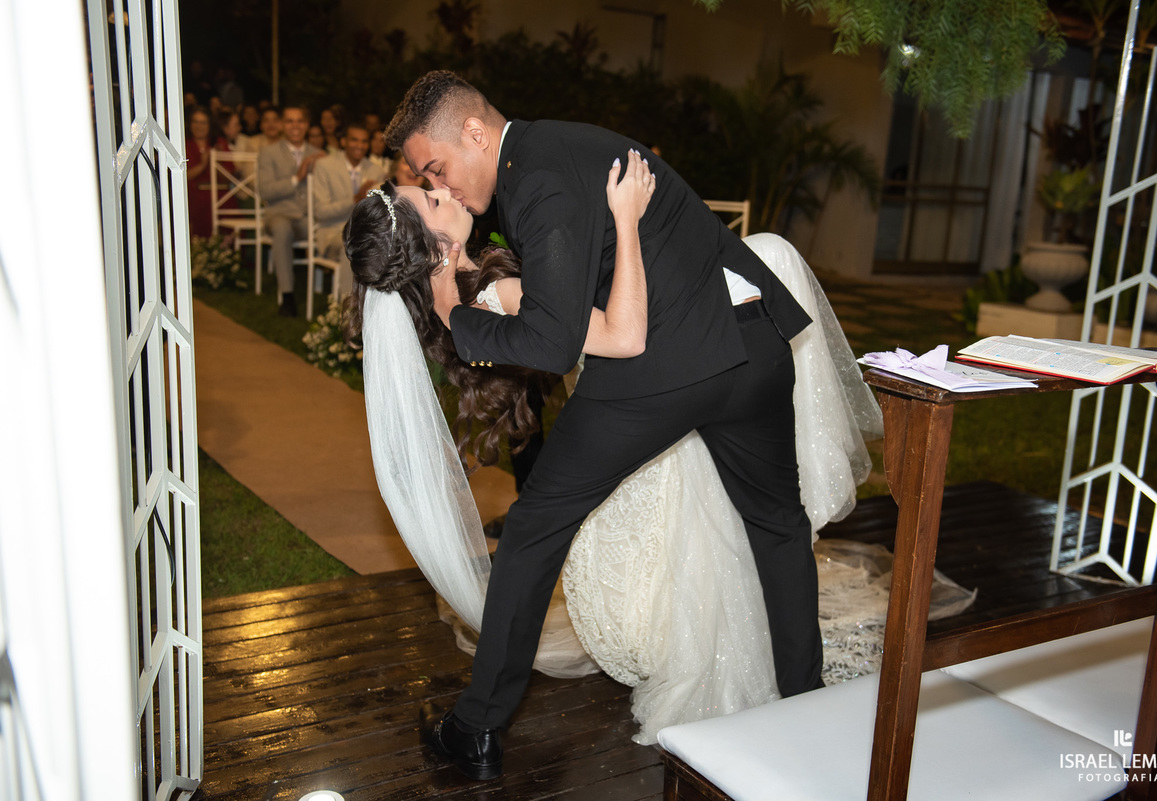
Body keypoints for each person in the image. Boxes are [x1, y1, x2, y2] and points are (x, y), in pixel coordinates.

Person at [385, 70, 822, 778]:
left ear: (473, 131)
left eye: (436, 169)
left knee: (531, 530)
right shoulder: (559, 150)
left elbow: (553, 342)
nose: (445, 185)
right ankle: (809, 702)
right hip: (754, 346)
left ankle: (478, 725)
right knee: (777, 524)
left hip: (664, 372)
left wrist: (456, 320)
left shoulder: (538, 182)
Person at [258, 106, 326, 316]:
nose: (295, 126)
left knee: (337, 227)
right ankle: (287, 296)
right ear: (281, 125)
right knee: (282, 229)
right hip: (280, 214)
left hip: (309, 218)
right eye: (289, 121)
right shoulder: (268, 152)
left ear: (306, 125)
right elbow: (265, 191)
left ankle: (340, 295)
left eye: (299, 121)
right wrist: (297, 177)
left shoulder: (318, 154)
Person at [311, 123, 387, 296]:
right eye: (354, 140)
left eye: (363, 141)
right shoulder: (325, 166)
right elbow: (321, 213)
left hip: (367, 233)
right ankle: (347, 309)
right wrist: (355, 199)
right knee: (354, 246)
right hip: (332, 232)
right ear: (343, 141)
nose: (359, 146)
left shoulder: (376, 171)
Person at [184, 106, 214, 238]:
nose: (199, 126)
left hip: (217, 195)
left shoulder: (218, 144)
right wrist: (203, 165)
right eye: (195, 122)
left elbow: (229, 172)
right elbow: (184, 176)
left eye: (203, 122)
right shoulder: (184, 145)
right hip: (193, 195)